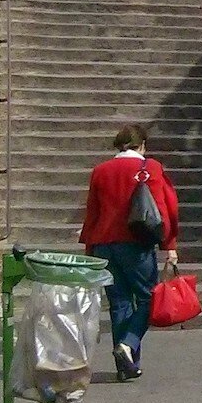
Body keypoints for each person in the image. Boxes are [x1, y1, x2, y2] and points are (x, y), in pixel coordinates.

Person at [79, 124, 180, 382]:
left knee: (120, 302)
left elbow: (92, 211)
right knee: (149, 297)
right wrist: (169, 245)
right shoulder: (150, 168)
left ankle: (127, 366)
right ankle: (128, 344)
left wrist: (90, 246)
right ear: (142, 144)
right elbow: (164, 208)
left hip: (104, 244)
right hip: (135, 244)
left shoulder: (100, 171)